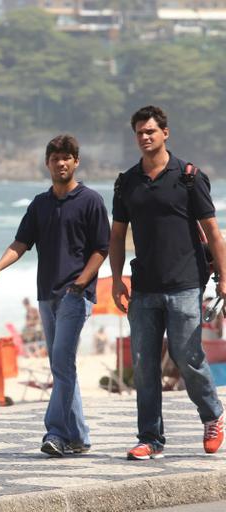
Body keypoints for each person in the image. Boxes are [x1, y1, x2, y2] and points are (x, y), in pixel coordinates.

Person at [110, 105, 225, 460]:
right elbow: (117, 236)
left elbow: (213, 233)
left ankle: (213, 416)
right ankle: (150, 438)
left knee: (187, 355)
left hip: (185, 282)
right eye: (140, 133)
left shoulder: (189, 176)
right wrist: (116, 279)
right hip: (144, 285)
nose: (145, 137)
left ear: (165, 133)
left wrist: (224, 277)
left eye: (151, 132)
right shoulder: (127, 182)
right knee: (144, 363)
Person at [0, 134, 109, 457]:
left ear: (76, 161)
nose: (61, 163)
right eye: (55, 158)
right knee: (63, 365)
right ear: (48, 163)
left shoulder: (91, 200)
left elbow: (102, 249)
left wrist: (81, 283)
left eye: (67, 157)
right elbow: (21, 243)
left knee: (61, 362)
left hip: (76, 294)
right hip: (46, 295)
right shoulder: (40, 205)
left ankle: (55, 432)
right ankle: (79, 436)